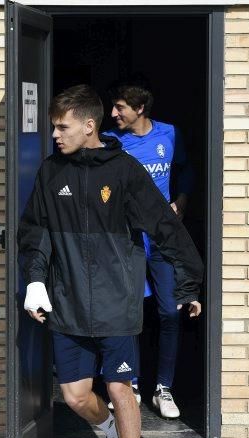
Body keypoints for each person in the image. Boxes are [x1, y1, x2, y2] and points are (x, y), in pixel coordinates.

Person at [17, 84, 203, 438]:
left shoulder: (124, 171)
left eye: (62, 127)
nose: (56, 135)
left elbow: (164, 228)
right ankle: (109, 432)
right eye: (53, 128)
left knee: (121, 388)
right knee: (76, 395)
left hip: (117, 301)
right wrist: (36, 280)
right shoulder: (50, 172)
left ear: (88, 124)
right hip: (68, 301)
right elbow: (36, 231)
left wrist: (188, 284)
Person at [104, 77, 195, 419]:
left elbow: (185, 170)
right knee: (131, 313)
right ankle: (132, 383)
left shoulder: (169, 134)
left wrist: (181, 201)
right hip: (129, 240)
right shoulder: (112, 141)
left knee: (170, 312)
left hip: (162, 239)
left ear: (140, 109)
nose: (113, 114)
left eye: (120, 108)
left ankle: (164, 388)